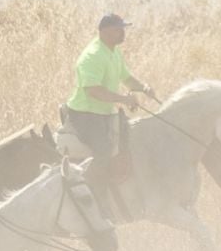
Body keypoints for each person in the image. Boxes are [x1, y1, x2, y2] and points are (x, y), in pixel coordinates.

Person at [63, 13, 154, 162]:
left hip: (104, 112)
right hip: (85, 115)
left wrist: (144, 88)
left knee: (129, 140)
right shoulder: (92, 56)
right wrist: (125, 99)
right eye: (118, 29)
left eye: (123, 29)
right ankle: (95, 184)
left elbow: (126, 78)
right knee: (104, 152)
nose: (123, 33)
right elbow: (93, 91)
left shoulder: (114, 50)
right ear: (104, 32)